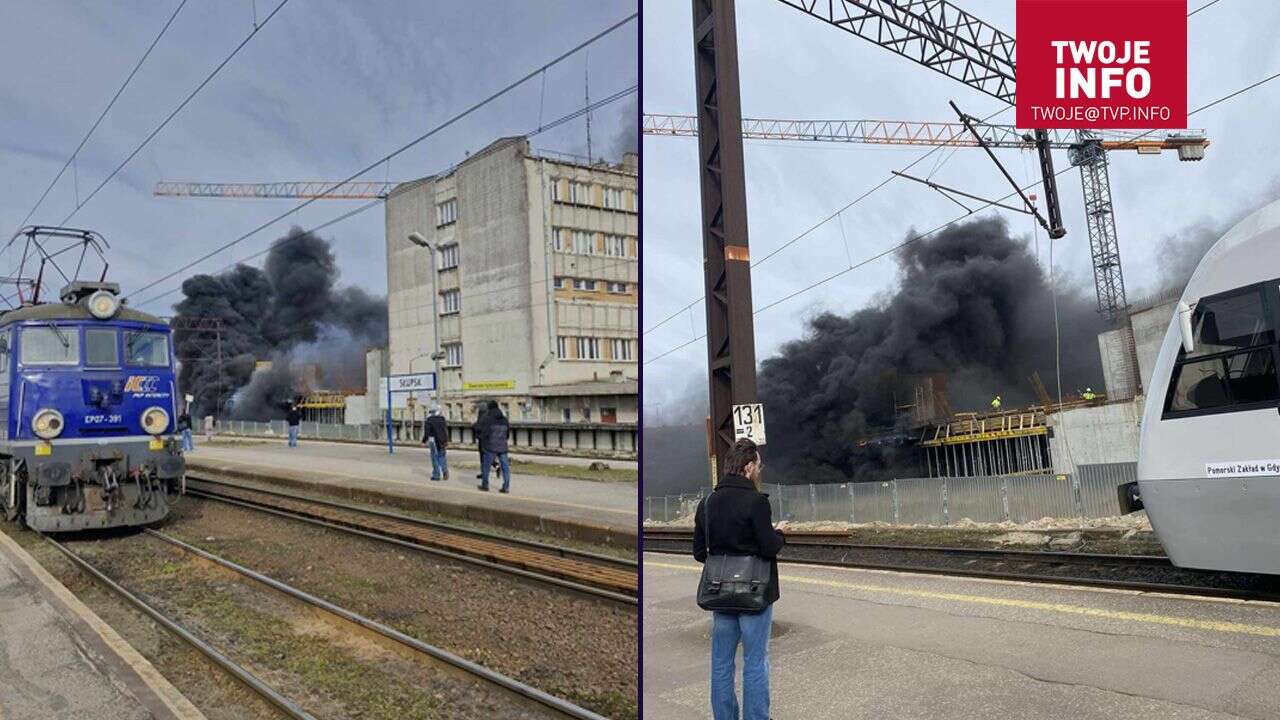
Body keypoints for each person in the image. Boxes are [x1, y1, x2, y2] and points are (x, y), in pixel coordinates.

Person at [693, 438, 785, 720]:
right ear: (748, 467)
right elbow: (769, 547)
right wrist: (780, 532)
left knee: (721, 663)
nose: (760, 469)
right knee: (755, 662)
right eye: (758, 464)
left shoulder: (707, 503)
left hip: (720, 595)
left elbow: (700, 553)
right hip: (755, 596)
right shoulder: (757, 502)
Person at [476, 400, 510, 493]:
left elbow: (484, 433)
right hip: (503, 447)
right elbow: (507, 435)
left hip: (490, 446)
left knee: (486, 466)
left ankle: (485, 485)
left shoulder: (487, 419)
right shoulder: (504, 419)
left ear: (489, 408)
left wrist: (483, 442)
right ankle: (506, 487)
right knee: (505, 467)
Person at [422, 404, 449, 481]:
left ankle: (436, 475)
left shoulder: (429, 420)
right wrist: (446, 440)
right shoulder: (442, 419)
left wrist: (424, 441)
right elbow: (445, 431)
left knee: (434, 457)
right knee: (442, 456)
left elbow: (427, 432)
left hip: (433, 440)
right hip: (442, 440)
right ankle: (445, 471)